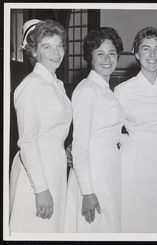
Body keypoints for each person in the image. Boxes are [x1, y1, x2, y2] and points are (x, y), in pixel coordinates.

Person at [114, 26, 157, 233]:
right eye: (146, 48)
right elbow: (113, 130)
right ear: (136, 53)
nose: (152, 55)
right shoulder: (123, 90)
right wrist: (129, 143)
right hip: (135, 160)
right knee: (137, 215)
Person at [9, 19, 72, 232]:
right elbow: (28, 141)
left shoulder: (55, 84)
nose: (56, 53)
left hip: (54, 165)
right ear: (34, 52)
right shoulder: (32, 85)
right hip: (36, 173)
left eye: (59, 45)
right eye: (47, 47)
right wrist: (41, 190)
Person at [64, 27, 125, 233]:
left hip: (108, 169)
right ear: (90, 58)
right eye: (100, 53)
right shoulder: (87, 90)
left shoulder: (104, 89)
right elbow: (80, 146)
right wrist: (87, 192)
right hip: (93, 172)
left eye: (112, 53)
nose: (107, 59)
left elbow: (110, 131)